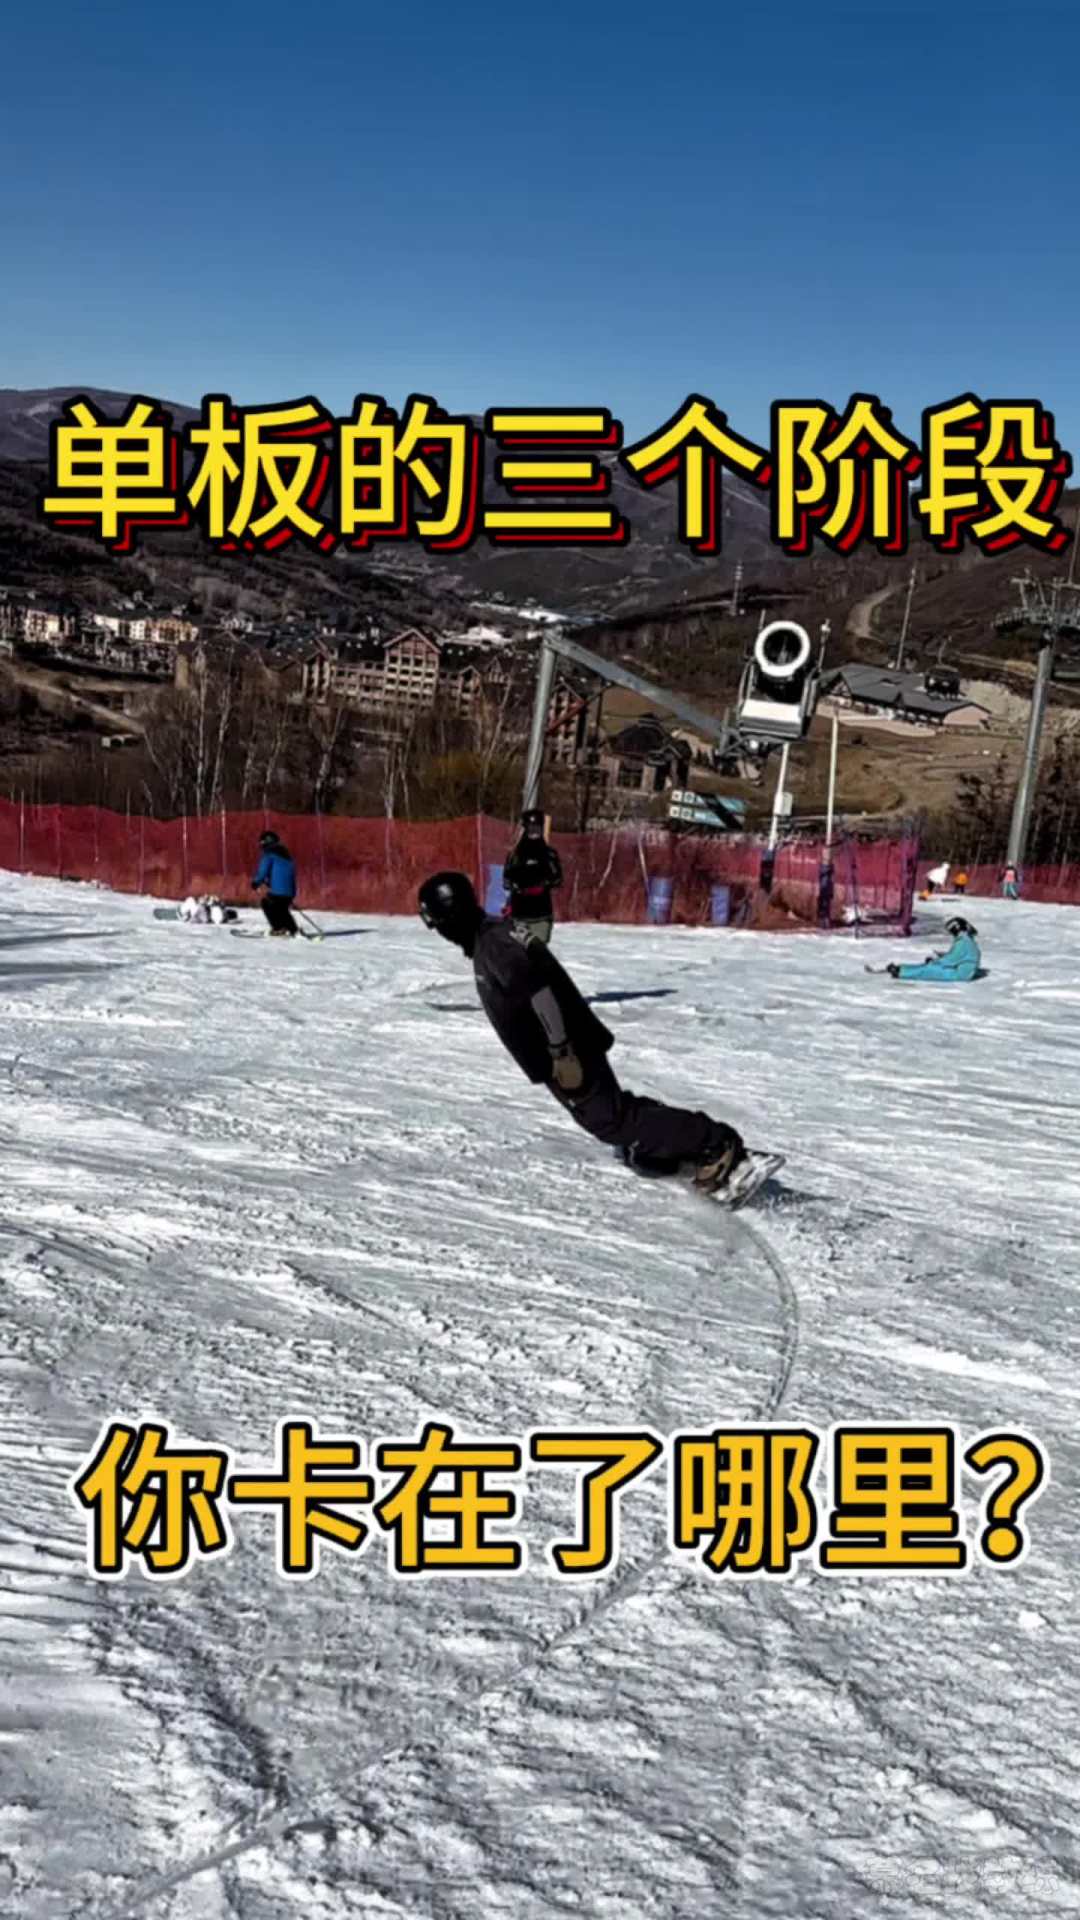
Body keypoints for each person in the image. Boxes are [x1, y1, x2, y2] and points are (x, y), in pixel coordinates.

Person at [417, 870, 780, 1205]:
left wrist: (561, 1051)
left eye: (438, 924)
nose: (439, 933)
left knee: (609, 1119)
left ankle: (716, 1146)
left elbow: (539, 993)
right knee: (610, 1112)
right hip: (565, 1042)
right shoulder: (494, 937)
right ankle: (664, 1145)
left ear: (451, 916)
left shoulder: (494, 947)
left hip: (566, 1048)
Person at [502, 809, 563, 944]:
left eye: (537, 829)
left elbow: (558, 879)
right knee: (519, 952)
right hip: (519, 915)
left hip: (541, 915)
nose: (534, 833)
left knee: (537, 951)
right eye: (531, 829)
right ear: (525, 829)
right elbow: (506, 881)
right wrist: (519, 885)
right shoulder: (515, 855)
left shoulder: (549, 854)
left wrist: (543, 883)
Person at [887, 916, 981, 983]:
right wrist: (939, 959)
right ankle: (902, 969)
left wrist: (936, 961)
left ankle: (900, 972)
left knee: (929, 970)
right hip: (962, 971)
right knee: (930, 967)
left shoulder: (964, 942)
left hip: (960, 974)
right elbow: (957, 957)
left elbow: (951, 960)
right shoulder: (966, 940)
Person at [252, 830, 299, 937]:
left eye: (262, 843)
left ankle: (285, 929)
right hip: (290, 891)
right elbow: (283, 873)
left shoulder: (269, 855)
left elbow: (263, 871)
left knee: (268, 904)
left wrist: (256, 882)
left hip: (278, 891)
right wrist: (270, 882)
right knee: (281, 909)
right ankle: (288, 929)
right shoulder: (286, 855)